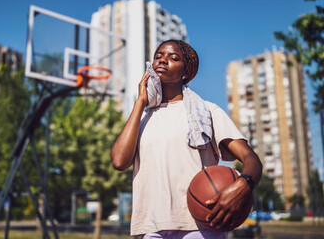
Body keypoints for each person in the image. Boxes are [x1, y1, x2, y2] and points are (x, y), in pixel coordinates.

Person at [111, 39, 262, 239]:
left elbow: (251, 159)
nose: (162, 60)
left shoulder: (207, 111)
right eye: (158, 56)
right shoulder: (144, 118)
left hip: (200, 225)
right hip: (153, 228)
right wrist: (140, 102)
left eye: (173, 58)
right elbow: (119, 161)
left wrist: (244, 184)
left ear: (186, 72)